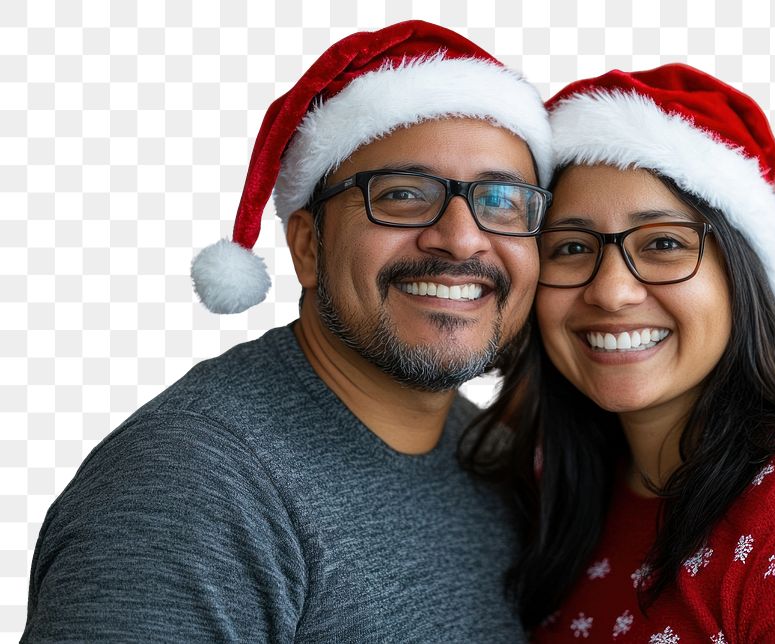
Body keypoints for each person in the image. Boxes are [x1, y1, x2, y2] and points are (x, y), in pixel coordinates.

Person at [23, 21, 552, 642]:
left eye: (501, 201)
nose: (462, 238)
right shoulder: (193, 486)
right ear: (306, 246)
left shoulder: (489, 456)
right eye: (404, 193)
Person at [464, 64, 775, 641]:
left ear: (739, 276)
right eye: (572, 247)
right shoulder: (549, 483)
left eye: (662, 243)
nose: (610, 292)